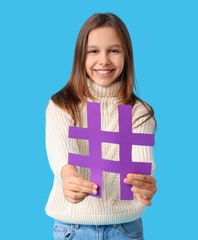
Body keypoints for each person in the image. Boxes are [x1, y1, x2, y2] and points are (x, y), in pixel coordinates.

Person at [45, 13, 157, 240]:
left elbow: (143, 164)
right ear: (80, 57)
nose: (104, 60)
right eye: (93, 51)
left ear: (126, 56)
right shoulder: (62, 105)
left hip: (125, 228)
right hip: (72, 227)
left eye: (114, 50)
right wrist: (69, 178)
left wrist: (145, 184)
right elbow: (60, 152)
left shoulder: (140, 112)